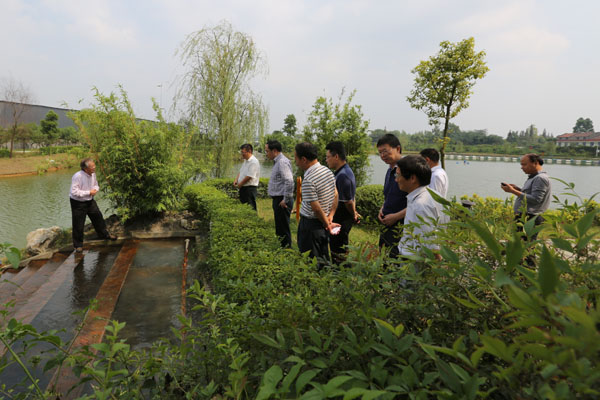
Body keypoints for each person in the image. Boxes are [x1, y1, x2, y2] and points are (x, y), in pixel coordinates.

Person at [395, 155, 449, 259]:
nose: (396, 180)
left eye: (398, 175)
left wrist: (436, 265)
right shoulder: (433, 195)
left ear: (412, 178)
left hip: (416, 263)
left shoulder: (420, 205)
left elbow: (430, 246)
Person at [294, 142, 339, 266]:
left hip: (311, 225)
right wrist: (330, 216)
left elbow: (316, 208)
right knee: (322, 256)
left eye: (296, 158)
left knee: (310, 261)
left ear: (304, 159)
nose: (296, 162)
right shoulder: (327, 171)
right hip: (323, 222)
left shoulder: (309, 180)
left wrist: (327, 224)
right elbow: (336, 194)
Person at [70, 158, 116, 253]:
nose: (94, 167)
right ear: (85, 168)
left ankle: (104, 235)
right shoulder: (77, 176)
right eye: (92, 166)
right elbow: (74, 192)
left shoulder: (93, 174)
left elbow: (95, 185)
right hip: (78, 202)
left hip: (90, 200)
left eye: (94, 165)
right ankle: (78, 245)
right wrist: (89, 192)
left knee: (98, 217)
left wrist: (95, 189)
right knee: (78, 223)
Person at [501, 153, 551, 240]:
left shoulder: (540, 178)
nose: (522, 167)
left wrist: (512, 191)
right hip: (526, 216)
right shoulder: (534, 177)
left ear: (535, 163)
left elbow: (536, 199)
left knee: (526, 244)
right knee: (519, 243)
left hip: (530, 218)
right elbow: (531, 195)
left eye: (524, 164)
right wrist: (518, 189)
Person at [325, 141, 360, 264]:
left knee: (339, 249)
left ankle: (341, 272)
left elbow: (348, 201)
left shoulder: (343, 175)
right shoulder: (341, 172)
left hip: (342, 218)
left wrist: (353, 214)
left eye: (328, 157)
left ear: (336, 156)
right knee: (336, 247)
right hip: (340, 216)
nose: (326, 160)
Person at [376, 134, 408, 258]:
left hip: (401, 226)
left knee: (395, 259)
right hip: (387, 223)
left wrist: (395, 217)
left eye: (385, 151)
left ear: (398, 149)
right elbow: (389, 195)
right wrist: (382, 208)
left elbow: (416, 202)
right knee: (383, 256)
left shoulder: (407, 170)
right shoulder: (390, 170)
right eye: (380, 153)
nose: (382, 155)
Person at [265, 140, 294, 248]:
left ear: (274, 151)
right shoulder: (278, 161)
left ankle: (286, 250)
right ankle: (281, 249)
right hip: (279, 199)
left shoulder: (282, 162)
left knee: (283, 228)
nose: (266, 154)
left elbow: (289, 181)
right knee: (279, 228)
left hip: (282, 200)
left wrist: (285, 199)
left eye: (267, 151)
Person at [234, 143, 260, 211]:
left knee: (251, 207)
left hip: (249, 189)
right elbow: (241, 171)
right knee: (243, 207)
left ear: (250, 151)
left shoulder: (254, 162)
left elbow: (249, 176)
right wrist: (236, 180)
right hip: (243, 188)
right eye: (241, 152)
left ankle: (253, 218)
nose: (242, 154)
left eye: (243, 152)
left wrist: (240, 184)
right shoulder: (246, 160)